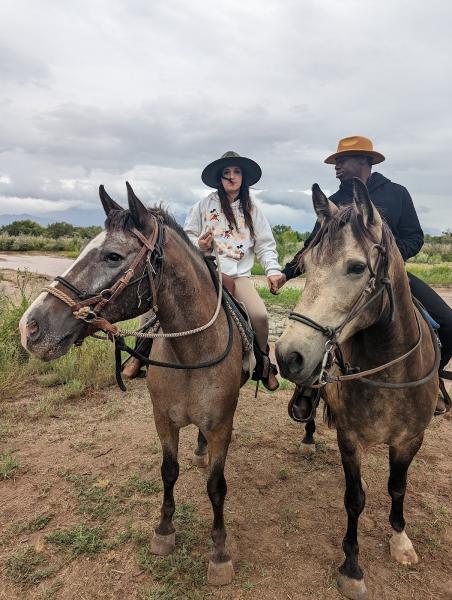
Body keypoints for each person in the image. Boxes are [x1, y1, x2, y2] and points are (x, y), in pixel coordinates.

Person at [275, 135, 452, 419]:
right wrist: (285, 274)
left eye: (342, 160)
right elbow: (313, 246)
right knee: (326, 330)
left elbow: (414, 236)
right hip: (347, 281)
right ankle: (311, 388)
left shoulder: (397, 194)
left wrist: (391, 258)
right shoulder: (334, 202)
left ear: (365, 161)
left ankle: (430, 381)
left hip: (391, 276)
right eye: (336, 161)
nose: (336, 166)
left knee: (448, 322)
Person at [184, 150, 285, 390]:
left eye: (236, 172)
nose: (231, 177)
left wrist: (272, 270)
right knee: (166, 303)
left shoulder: (253, 210)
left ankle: (263, 363)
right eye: (226, 173)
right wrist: (199, 245)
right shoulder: (204, 205)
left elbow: (266, 245)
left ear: (243, 177)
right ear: (220, 178)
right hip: (204, 271)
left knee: (260, 315)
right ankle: (140, 353)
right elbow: (186, 235)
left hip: (237, 276)